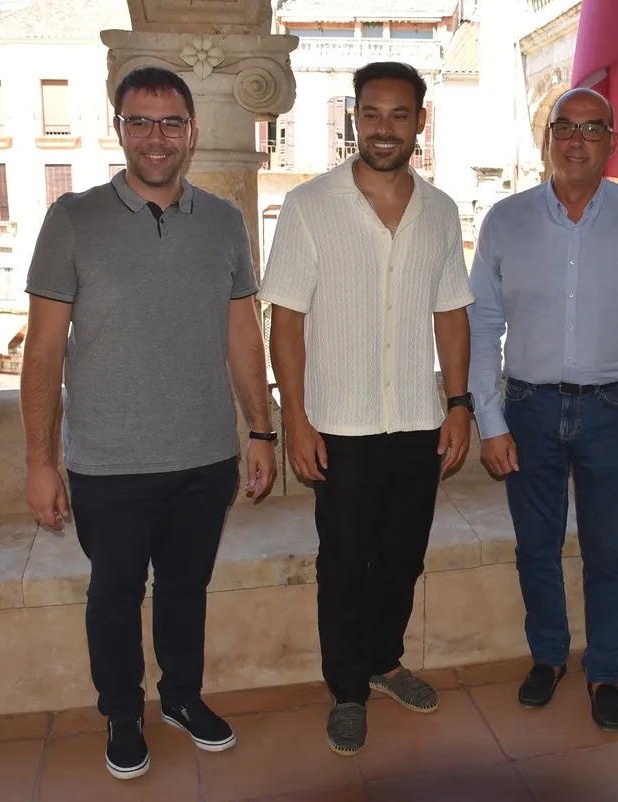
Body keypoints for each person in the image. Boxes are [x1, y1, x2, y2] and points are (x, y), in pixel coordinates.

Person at [20, 66, 277, 781]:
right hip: (108, 463)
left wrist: (261, 431)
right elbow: (43, 350)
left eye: (170, 122)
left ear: (192, 132)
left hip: (205, 456)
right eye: (139, 121)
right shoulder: (73, 220)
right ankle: (122, 714)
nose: (155, 137)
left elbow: (242, 334)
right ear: (119, 129)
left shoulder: (224, 222)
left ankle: (182, 698)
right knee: (114, 596)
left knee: (186, 590)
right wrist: (40, 461)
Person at [259, 61, 474, 756]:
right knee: (345, 564)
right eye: (372, 114)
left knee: (404, 557)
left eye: (399, 114)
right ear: (355, 117)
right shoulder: (309, 205)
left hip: (416, 420)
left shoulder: (440, 211)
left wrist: (459, 402)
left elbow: (452, 314)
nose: (385, 128)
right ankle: (348, 688)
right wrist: (295, 418)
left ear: (420, 122)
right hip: (340, 425)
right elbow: (286, 320)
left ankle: (384, 660)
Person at [467, 87, 618, 731]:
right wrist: (490, 421)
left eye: (593, 129)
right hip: (528, 409)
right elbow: (482, 326)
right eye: (564, 126)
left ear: (613, 143)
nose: (577, 140)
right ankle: (548, 657)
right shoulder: (505, 221)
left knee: (608, 553)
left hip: (611, 412)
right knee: (535, 549)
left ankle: (604, 670)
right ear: (547, 139)